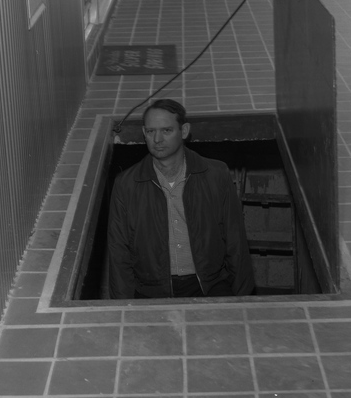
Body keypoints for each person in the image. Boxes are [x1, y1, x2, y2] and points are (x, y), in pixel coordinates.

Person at [107, 99, 255, 299]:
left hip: (210, 286)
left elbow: (235, 239)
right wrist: (122, 308)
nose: (157, 139)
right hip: (151, 291)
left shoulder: (215, 174)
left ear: (184, 131)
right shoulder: (126, 184)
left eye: (166, 130)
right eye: (150, 131)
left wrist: (242, 298)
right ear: (144, 133)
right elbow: (118, 252)